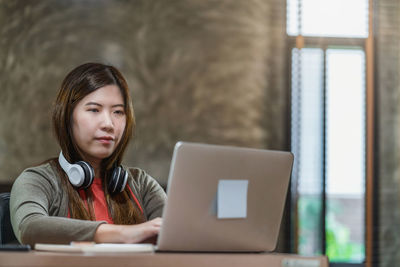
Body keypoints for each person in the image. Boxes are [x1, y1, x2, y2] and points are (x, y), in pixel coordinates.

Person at [10, 63, 166, 246]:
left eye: (118, 112)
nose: (108, 124)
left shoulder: (141, 184)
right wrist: (124, 233)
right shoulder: (39, 180)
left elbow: (180, 232)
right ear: (67, 117)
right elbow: (30, 228)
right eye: (94, 110)